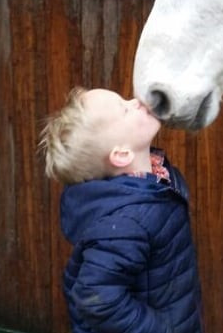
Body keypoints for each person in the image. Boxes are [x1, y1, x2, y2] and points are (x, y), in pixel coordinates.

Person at [40, 87, 203, 333]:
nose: (136, 102)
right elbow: (96, 297)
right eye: (125, 109)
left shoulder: (152, 183)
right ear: (122, 154)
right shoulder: (126, 222)